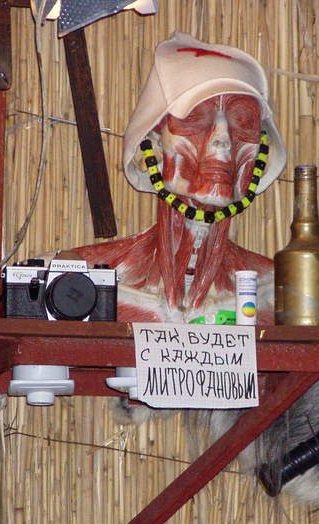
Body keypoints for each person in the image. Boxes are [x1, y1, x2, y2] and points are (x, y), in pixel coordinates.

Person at [73, 32, 289, 324]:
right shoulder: (80, 284)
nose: (223, 138)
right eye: (195, 119)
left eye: (243, 122)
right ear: (154, 145)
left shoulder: (280, 294)